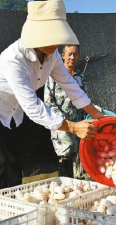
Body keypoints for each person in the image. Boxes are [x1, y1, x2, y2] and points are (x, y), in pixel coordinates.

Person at [0, 0, 105, 193]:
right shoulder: (14, 59)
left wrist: (97, 115)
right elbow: (33, 107)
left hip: (12, 109)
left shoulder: (53, 56)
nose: (55, 43)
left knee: (15, 157)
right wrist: (73, 127)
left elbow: (69, 85)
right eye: (51, 37)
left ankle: (15, 204)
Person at [44, 44, 90, 180]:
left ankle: (79, 188)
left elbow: (85, 100)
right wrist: (63, 120)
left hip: (79, 125)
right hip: (61, 125)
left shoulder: (81, 77)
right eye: (69, 54)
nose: (72, 57)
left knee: (80, 158)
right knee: (66, 156)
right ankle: (64, 185)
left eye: (75, 54)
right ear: (63, 55)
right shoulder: (53, 75)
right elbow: (48, 102)